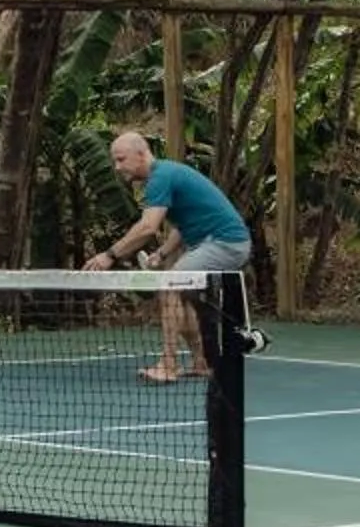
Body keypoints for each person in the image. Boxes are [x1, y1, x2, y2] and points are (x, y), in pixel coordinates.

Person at [83, 130, 254, 384]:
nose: (117, 167)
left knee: (169, 286)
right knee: (181, 294)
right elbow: (183, 225)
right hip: (211, 242)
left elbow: (148, 227)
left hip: (226, 243)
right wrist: (162, 253)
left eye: (121, 159)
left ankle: (168, 365)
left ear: (141, 154)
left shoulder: (160, 178)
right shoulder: (164, 176)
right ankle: (201, 362)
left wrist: (109, 255)